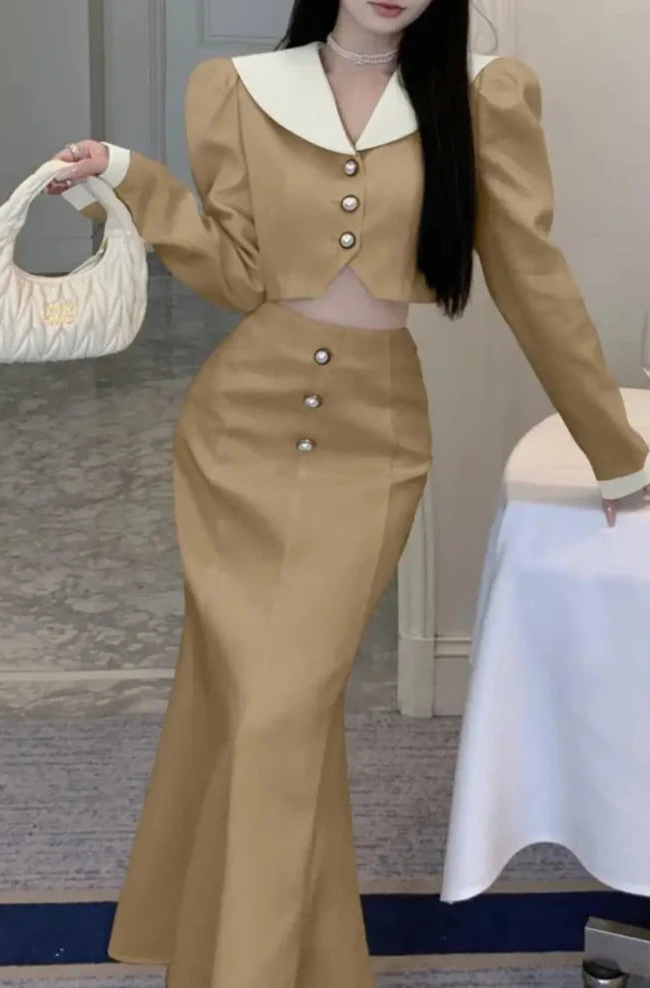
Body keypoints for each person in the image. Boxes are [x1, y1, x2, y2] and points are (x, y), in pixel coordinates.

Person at [47, 0, 650, 985]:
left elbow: (529, 279)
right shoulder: (236, 90)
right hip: (235, 436)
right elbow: (236, 274)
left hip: (371, 445)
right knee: (260, 713)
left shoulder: (480, 97)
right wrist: (129, 182)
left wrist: (613, 449)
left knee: (277, 714)